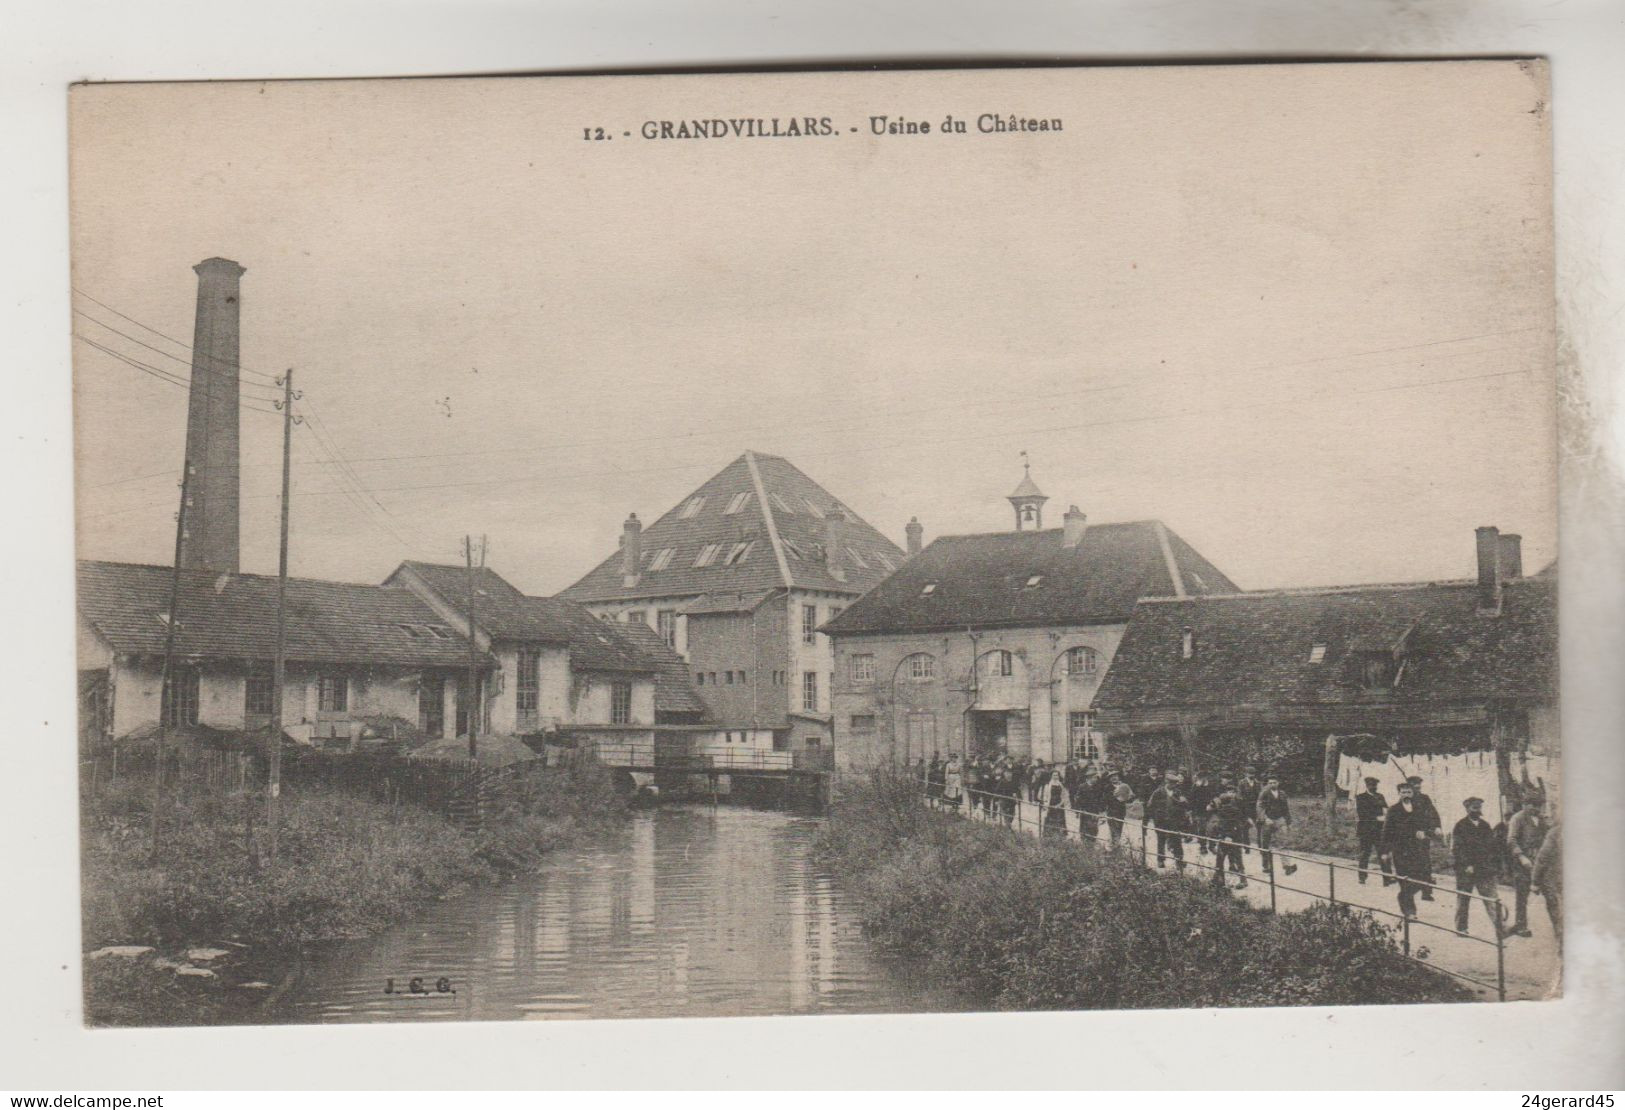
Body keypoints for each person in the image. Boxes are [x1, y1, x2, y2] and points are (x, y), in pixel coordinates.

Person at [1381, 780, 1434, 920]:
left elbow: (1428, 824)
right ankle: (1410, 912)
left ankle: (1403, 897)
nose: (1406, 794)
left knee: (1420, 879)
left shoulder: (1419, 808)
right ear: (1399, 793)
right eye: (1403, 792)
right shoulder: (1393, 810)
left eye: (1409, 792)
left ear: (1413, 793)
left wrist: (1425, 832)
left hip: (1417, 850)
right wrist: (1385, 852)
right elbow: (1387, 831)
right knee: (1405, 880)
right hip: (1401, 851)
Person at [1451, 796, 1503, 936]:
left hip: (1484, 868)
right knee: (1463, 900)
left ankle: (1500, 929)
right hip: (1466, 870)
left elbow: (1492, 846)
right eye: (1474, 808)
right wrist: (1466, 864)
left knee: (1491, 899)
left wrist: (1494, 864)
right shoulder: (1460, 826)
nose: (1477, 810)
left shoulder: (1485, 825)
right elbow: (1457, 848)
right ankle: (1461, 928)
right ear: (1467, 809)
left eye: (1479, 807)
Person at [1505, 791, 1548, 938]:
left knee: (1551, 892)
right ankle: (1520, 925)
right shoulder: (1518, 818)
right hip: (1523, 863)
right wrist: (1521, 856)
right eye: (1533, 805)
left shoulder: (1542, 820)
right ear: (1525, 804)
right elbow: (1511, 840)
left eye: (1539, 805)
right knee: (1522, 896)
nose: (1536, 808)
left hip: (1540, 862)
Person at [1145, 769, 1191, 871]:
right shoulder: (1158, 792)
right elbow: (1150, 805)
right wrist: (1154, 818)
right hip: (1161, 821)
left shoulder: (1178, 792)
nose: (1173, 785)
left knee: (1176, 840)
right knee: (1161, 840)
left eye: (1175, 783)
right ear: (1166, 782)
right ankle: (1160, 860)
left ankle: (1179, 861)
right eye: (1171, 783)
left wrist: (1183, 803)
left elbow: (1185, 806)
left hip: (1174, 821)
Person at [1406, 775, 1443, 900]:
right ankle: (1410, 890)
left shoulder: (1424, 798)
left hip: (1424, 836)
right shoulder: (1406, 800)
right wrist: (1415, 830)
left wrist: (1437, 826)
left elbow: (1433, 812)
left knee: (1425, 863)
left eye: (1419, 785)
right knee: (1412, 864)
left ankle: (1426, 892)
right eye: (1414, 785)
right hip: (1409, 838)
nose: (1417, 787)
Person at [1255, 774, 1298, 876]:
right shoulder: (1264, 793)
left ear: (1278, 783)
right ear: (1267, 784)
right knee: (1265, 844)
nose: (1272, 784)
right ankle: (1266, 866)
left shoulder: (1282, 794)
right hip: (1267, 821)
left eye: (1274, 782)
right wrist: (1265, 818)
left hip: (1279, 820)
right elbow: (1259, 807)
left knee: (1283, 843)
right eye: (1270, 783)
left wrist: (1288, 822)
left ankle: (1287, 866)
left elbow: (1286, 809)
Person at [1208, 786, 1250, 888]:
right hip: (1236, 838)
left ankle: (1219, 880)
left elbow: (1222, 825)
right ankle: (1243, 880)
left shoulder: (1221, 812)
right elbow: (1241, 823)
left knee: (1220, 859)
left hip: (1226, 839)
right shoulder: (1236, 810)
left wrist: (1226, 836)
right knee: (1238, 859)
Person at [1355, 776, 1392, 885]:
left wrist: (1387, 816)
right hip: (1366, 831)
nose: (1373, 787)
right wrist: (1377, 818)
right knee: (1364, 854)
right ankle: (1362, 877)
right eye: (1371, 785)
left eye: (1375, 785)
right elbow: (1363, 815)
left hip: (1379, 831)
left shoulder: (1380, 796)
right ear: (1366, 785)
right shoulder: (1360, 797)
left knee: (1383, 853)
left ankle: (1387, 878)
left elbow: (1386, 809)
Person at [1531, 822, 1562, 954]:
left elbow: (1542, 858)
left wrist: (1535, 882)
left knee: (1558, 914)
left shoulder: (1555, 832)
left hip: (1555, 882)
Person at [1188, 771, 1216, 856]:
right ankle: (1203, 847)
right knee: (1201, 829)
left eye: (1203, 778)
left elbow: (1215, 796)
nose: (1202, 780)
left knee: (1212, 828)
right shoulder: (1195, 786)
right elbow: (1191, 799)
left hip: (1210, 810)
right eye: (1200, 778)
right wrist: (1192, 811)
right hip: (1199, 811)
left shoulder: (1211, 786)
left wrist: (1211, 804)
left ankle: (1212, 845)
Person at [1072, 769, 1102, 842]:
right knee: (1084, 828)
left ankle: (1092, 842)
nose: (1096, 779)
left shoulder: (1097, 787)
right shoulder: (1082, 787)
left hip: (1095, 811)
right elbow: (1077, 799)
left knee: (1094, 829)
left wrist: (1101, 812)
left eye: (1096, 777)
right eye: (1094, 777)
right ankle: (1084, 843)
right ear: (1089, 778)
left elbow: (1100, 800)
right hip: (1085, 811)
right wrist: (1077, 811)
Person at [1106, 772, 1134, 844]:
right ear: (1109, 779)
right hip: (1111, 811)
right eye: (1112, 777)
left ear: (1118, 777)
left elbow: (1131, 797)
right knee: (1113, 830)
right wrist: (1114, 797)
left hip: (1121, 811)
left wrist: (1128, 797)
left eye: (1115, 776)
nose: (1114, 778)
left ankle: (1117, 845)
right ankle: (1113, 844)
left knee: (1119, 829)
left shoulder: (1124, 786)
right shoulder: (1107, 787)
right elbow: (1105, 799)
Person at [1041, 769, 1069, 839]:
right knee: (1050, 819)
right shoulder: (1048, 785)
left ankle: (1060, 835)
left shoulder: (1060, 784)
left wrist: (1060, 804)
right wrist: (1045, 804)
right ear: (1051, 776)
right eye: (1054, 775)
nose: (1055, 777)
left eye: (1057, 775)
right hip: (1051, 804)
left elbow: (1064, 795)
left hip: (1059, 804)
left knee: (1060, 819)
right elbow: (1045, 796)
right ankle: (1049, 834)